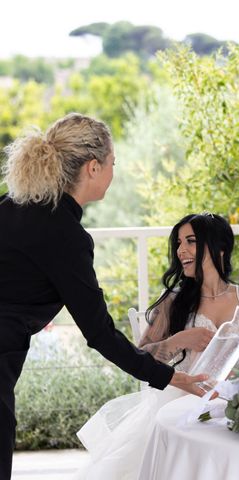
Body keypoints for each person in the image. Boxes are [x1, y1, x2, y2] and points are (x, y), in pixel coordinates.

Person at [0, 113, 205, 480]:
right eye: (113, 163)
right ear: (93, 168)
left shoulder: (11, 205)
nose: (114, 171)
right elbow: (100, 334)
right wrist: (169, 377)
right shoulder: (65, 235)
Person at [75, 212, 239, 479]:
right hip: (182, 405)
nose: (181, 250)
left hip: (234, 408)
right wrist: (179, 340)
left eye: (191, 241)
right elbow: (139, 356)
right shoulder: (174, 300)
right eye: (179, 243)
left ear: (220, 247)